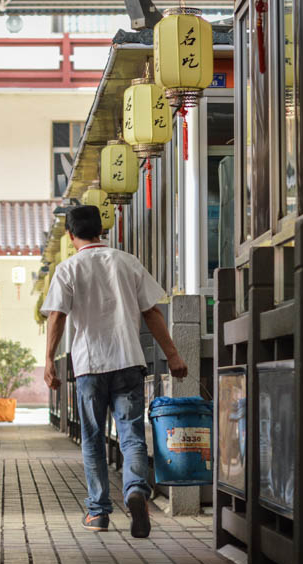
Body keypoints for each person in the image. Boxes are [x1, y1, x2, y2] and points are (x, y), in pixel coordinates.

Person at [40, 205, 189, 538]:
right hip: (128, 361)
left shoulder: (68, 269)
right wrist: (174, 355)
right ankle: (136, 490)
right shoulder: (127, 262)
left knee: (92, 440)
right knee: (132, 436)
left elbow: (57, 317)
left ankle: (98, 513)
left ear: (70, 235)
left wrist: (49, 360)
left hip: (90, 366)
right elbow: (152, 313)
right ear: (101, 230)